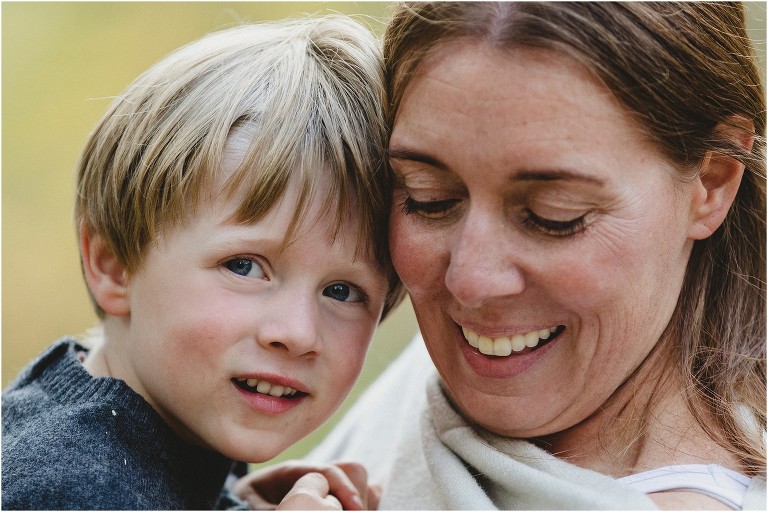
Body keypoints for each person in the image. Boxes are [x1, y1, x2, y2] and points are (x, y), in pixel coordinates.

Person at [239, 2, 767, 510]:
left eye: (552, 215)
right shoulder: (489, 361)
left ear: (712, 182)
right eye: (429, 198)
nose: (471, 281)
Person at [1, 14, 403, 510]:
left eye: (341, 291)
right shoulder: (69, 487)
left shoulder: (152, 433)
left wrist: (229, 501)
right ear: (114, 265)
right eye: (244, 266)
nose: (297, 333)